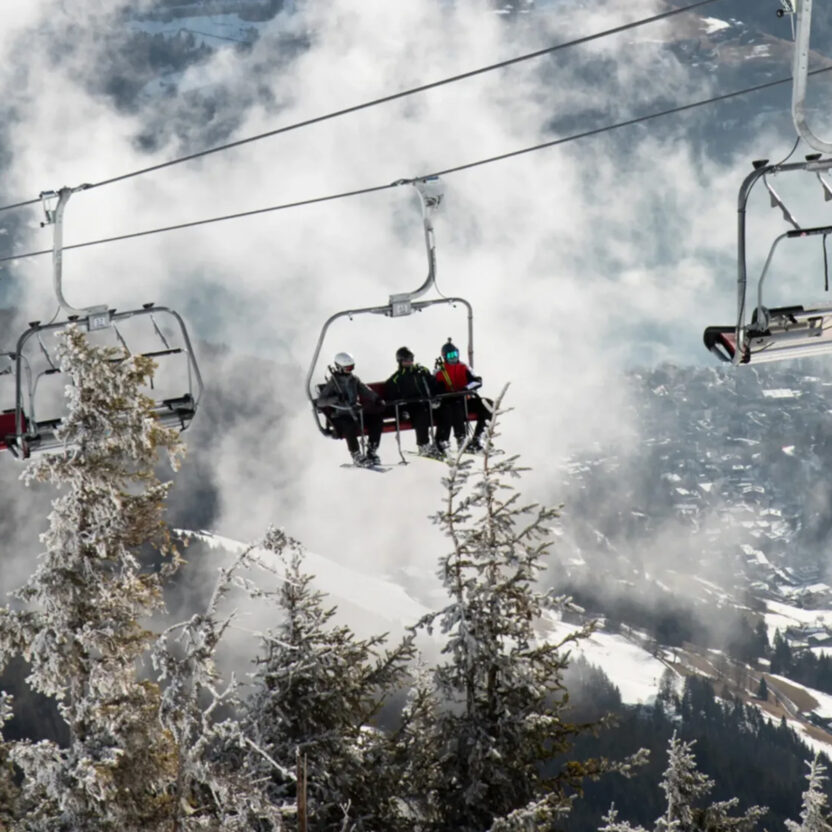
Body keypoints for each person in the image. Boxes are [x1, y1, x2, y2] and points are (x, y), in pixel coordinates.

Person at [316, 351, 384, 466]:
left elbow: (364, 390)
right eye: (347, 368)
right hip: (341, 415)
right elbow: (321, 402)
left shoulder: (354, 380)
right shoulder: (334, 383)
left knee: (376, 420)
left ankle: (372, 451)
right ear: (340, 368)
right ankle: (356, 455)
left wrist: (376, 398)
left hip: (355, 411)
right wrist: (336, 398)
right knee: (349, 426)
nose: (350, 371)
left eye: (352, 368)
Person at [434, 338, 491, 453]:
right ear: (445, 357)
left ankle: (479, 437)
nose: (453, 358)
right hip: (449, 403)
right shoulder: (440, 372)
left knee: (488, 404)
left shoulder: (463, 367)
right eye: (450, 356)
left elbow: (478, 381)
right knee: (454, 407)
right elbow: (435, 389)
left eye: (455, 354)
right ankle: (459, 439)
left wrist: (465, 389)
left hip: (465, 399)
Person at [384, 346, 443, 456]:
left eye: (411, 359)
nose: (410, 362)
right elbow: (391, 397)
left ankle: (441, 441)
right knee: (421, 413)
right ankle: (423, 445)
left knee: (445, 410)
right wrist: (401, 412)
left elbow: (433, 385)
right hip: (411, 407)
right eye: (406, 360)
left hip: (427, 403)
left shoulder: (422, 371)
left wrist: (436, 397)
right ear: (400, 361)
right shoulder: (397, 379)